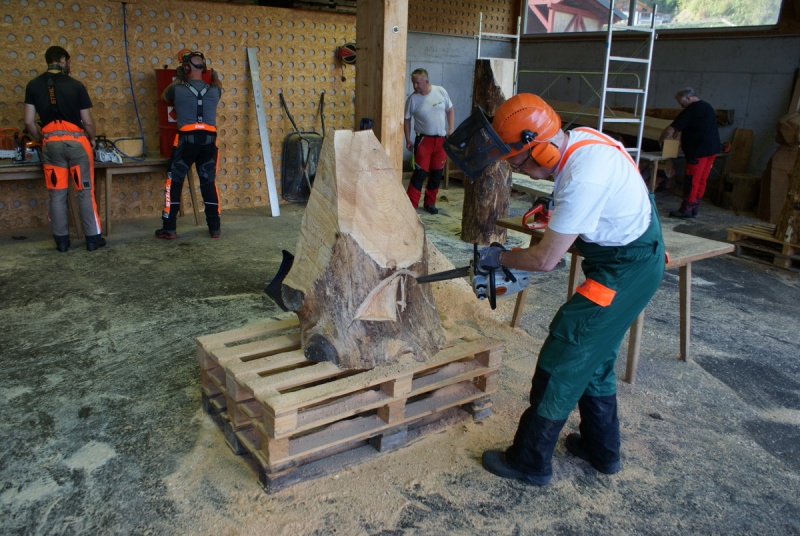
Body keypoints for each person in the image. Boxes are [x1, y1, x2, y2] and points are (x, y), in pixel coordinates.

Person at [460, 94, 665, 486]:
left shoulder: (582, 179)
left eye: (518, 161)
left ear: (541, 148)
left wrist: (498, 258)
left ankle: (529, 460)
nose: (515, 168)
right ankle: (601, 450)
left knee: (564, 354)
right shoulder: (579, 142)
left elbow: (544, 260)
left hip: (625, 270)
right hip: (628, 258)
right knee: (594, 359)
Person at [24, 46, 105, 252]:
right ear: (62, 60)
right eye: (67, 61)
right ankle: (92, 239)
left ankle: (61, 242)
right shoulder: (76, 85)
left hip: (51, 145)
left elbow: (29, 121)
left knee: (57, 193)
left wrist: (41, 138)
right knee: (84, 192)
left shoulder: (33, 85)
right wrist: (93, 138)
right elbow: (87, 122)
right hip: (77, 144)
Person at [156, 51, 223, 239]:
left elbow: (164, 96)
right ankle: (215, 228)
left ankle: (169, 228)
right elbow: (219, 86)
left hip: (186, 140)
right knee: (208, 184)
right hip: (209, 141)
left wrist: (178, 78)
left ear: (185, 68)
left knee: (174, 183)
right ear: (205, 69)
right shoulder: (215, 91)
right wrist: (216, 78)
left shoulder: (177, 89)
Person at [659, 87, 721, 218]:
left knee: (692, 180)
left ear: (688, 98)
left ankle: (686, 209)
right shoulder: (707, 106)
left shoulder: (691, 109)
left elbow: (670, 130)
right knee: (702, 180)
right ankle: (694, 208)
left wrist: (660, 140)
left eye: (681, 103)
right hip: (711, 150)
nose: (681, 106)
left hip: (698, 151)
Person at [403, 68, 455, 215]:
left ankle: (430, 203)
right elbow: (406, 119)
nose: (415, 86)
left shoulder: (441, 91)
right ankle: (411, 204)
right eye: (413, 83)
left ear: (426, 81)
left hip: (441, 140)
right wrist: (408, 139)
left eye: (418, 83)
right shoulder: (412, 99)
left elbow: (450, 110)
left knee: (437, 173)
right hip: (423, 140)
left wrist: (451, 129)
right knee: (420, 173)